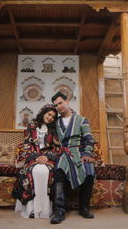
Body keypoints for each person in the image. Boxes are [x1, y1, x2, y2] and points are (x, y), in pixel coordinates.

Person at [50, 91, 95, 224]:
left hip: (79, 152)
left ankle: (84, 207)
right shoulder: (55, 122)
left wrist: (87, 154)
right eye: (56, 105)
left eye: (60, 103)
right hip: (63, 152)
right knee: (59, 173)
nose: (58, 106)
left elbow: (89, 139)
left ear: (67, 102)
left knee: (89, 172)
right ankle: (59, 210)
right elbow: (43, 125)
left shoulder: (81, 120)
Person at [13, 104, 62, 219]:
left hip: (48, 159)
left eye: (53, 117)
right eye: (49, 114)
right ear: (43, 112)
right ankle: (32, 209)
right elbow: (27, 144)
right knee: (33, 172)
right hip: (32, 158)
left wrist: (47, 157)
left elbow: (57, 147)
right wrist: (35, 158)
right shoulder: (31, 126)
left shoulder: (53, 130)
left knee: (46, 172)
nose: (50, 118)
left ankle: (44, 210)